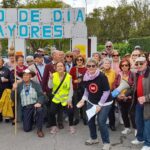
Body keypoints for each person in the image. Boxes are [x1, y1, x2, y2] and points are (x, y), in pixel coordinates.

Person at [78, 58, 112, 150]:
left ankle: (106, 143)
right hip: (91, 101)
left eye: (93, 66)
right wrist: (83, 99)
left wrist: (100, 105)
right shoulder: (86, 76)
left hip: (104, 103)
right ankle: (94, 138)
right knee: (90, 120)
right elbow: (87, 89)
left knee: (101, 122)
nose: (91, 67)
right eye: (89, 66)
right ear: (86, 66)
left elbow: (106, 92)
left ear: (97, 66)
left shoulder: (102, 76)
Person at [11, 69, 45, 138]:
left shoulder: (36, 85)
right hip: (26, 108)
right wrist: (13, 89)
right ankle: (32, 119)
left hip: (35, 106)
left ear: (30, 76)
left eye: (27, 75)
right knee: (27, 129)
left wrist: (39, 102)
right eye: (24, 75)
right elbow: (13, 98)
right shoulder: (19, 85)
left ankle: (39, 130)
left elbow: (41, 95)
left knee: (40, 110)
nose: (25, 76)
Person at [48, 62, 75, 134]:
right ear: (56, 68)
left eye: (61, 66)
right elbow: (50, 86)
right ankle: (54, 126)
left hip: (65, 98)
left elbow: (71, 89)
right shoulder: (53, 75)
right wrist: (50, 79)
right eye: (58, 66)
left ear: (64, 67)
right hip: (56, 98)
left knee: (70, 111)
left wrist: (69, 99)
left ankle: (71, 126)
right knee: (51, 112)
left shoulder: (69, 76)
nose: (60, 67)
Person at [130, 56, 150, 150]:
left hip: (148, 104)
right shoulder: (137, 74)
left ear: (146, 63)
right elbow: (134, 88)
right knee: (138, 121)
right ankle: (140, 138)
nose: (139, 65)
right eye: (137, 63)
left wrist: (146, 98)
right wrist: (125, 94)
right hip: (138, 102)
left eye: (141, 63)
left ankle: (148, 143)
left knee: (147, 124)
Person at [115, 59, 135, 135]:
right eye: (122, 65)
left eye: (126, 65)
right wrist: (118, 95)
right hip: (120, 98)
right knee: (124, 114)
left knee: (132, 114)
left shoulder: (132, 74)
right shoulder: (119, 74)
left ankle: (136, 129)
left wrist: (127, 95)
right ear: (120, 66)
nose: (124, 67)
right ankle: (127, 128)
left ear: (129, 66)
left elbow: (133, 87)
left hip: (129, 98)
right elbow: (115, 85)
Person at [70, 55, 87, 125]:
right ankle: (77, 118)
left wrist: (82, 79)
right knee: (76, 103)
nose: (79, 61)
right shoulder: (73, 69)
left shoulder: (86, 69)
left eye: (81, 60)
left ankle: (84, 117)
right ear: (75, 61)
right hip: (75, 88)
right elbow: (70, 78)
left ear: (83, 61)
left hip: (84, 88)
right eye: (78, 60)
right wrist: (74, 81)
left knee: (84, 103)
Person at [101, 58, 116, 131]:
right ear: (103, 64)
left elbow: (115, 83)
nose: (107, 64)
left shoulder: (113, 72)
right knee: (101, 110)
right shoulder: (100, 72)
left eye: (108, 63)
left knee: (111, 110)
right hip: (101, 94)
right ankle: (101, 124)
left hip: (110, 93)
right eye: (105, 63)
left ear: (110, 64)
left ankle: (112, 124)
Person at [0, 57, 12, 122]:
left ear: (2, 62)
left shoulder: (7, 69)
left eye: (0, 61)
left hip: (5, 89)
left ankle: (7, 116)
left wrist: (7, 80)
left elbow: (11, 79)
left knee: (6, 103)